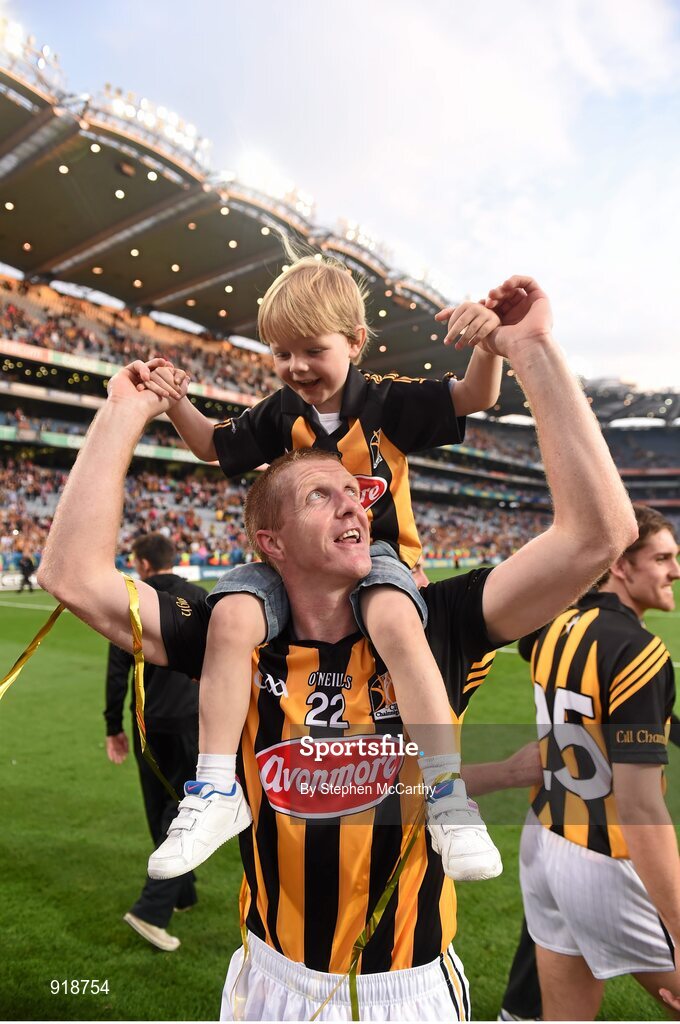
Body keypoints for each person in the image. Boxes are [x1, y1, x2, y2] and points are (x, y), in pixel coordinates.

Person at [36, 275, 637, 1020]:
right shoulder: (236, 624)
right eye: (322, 492)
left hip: (409, 986)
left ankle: (446, 796)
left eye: (359, 492)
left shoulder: (433, 623)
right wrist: (124, 413)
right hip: (268, 980)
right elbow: (68, 574)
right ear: (270, 542)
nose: (357, 497)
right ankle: (214, 792)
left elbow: (598, 536)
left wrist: (532, 350)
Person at [139, 252, 507, 886]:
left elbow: (479, 393)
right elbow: (211, 445)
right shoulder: (278, 412)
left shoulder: (388, 403)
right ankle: (216, 789)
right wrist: (175, 403)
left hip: (375, 558)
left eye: (311, 349)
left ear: (356, 342)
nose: (295, 367)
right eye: (280, 353)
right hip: (287, 564)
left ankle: (447, 792)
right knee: (229, 617)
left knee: (395, 619)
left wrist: (491, 341)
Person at [516, 504, 680, 1021]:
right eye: (661, 558)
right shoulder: (641, 652)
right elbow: (642, 808)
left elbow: (598, 710)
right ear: (620, 565)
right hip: (602, 856)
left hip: (544, 839)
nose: (675, 570)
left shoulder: (556, 626)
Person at [104, 532, 204, 952]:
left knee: (159, 806)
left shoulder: (132, 601)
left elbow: (115, 672)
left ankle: (182, 893)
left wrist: (113, 727)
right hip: (190, 723)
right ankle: (151, 909)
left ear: (143, 564)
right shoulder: (199, 599)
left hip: (148, 725)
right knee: (183, 813)